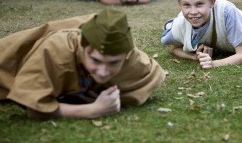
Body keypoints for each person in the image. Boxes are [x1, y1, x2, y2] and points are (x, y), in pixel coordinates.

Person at [0, 8, 166, 119]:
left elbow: (155, 75)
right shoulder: (58, 49)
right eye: (95, 60)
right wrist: (93, 109)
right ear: (82, 47)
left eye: (113, 63)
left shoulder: (131, 57)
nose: (102, 71)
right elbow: (34, 107)